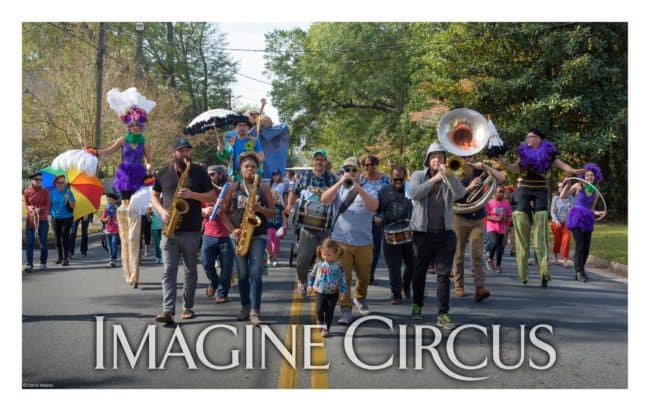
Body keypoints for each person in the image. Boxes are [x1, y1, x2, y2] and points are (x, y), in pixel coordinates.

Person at [499, 128, 584, 287]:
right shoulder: (523, 152)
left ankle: (544, 272)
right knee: (521, 221)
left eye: (532, 136)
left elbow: (560, 164)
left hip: (540, 189)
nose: (528, 138)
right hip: (524, 188)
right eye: (528, 136)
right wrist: (506, 165)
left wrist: (572, 170)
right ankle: (523, 270)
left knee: (540, 227)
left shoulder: (548, 152)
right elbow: (515, 168)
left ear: (539, 139)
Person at [151, 138, 215, 324]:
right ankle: (168, 310)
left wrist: (192, 195)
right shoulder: (163, 172)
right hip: (170, 230)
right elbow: (154, 195)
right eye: (181, 151)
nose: (186, 154)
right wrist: (162, 211)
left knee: (190, 271)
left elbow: (211, 196)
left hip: (192, 230)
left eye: (188, 150)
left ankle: (187, 306)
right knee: (168, 270)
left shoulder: (199, 173)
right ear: (174, 153)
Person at [100, 88, 155, 287]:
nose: (135, 128)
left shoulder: (145, 143)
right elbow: (107, 151)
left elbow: (149, 161)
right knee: (125, 209)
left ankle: (136, 259)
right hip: (124, 175)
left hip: (139, 175)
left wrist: (150, 168)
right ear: (128, 126)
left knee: (135, 212)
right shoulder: (122, 140)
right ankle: (127, 265)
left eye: (138, 126)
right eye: (132, 125)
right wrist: (94, 152)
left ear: (142, 126)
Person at [408, 142, 465, 329]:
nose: (437, 160)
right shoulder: (418, 175)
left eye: (440, 157)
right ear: (428, 159)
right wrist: (434, 180)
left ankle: (443, 313)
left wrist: (447, 175)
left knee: (443, 275)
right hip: (422, 233)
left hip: (445, 234)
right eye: (434, 157)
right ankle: (417, 304)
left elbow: (461, 193)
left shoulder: (449, 175)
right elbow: (414, 194)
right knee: (419, 272)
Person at [321, 157, 379, 326]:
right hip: (341, 241)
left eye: (354, 170)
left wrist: (358, 188)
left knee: (364, 276)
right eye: (347, 169)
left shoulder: (370, 187)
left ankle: (360, 298)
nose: (351, 173)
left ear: (360, 172)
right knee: (343, 278)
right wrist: (340, 183)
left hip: (364, 242)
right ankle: (345, 309)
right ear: (342, 171)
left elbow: (374, 206)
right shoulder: (338, 188)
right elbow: (324, 199)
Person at [220, 152, 276, 326]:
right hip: (239, 234)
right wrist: (233, 230)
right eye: (247, 167)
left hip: (259, 234)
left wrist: (260, 208)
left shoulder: (264, 188)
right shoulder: (233, 187)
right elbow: (223, 212)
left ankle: (255, 311)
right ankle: (245, 305)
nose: (250, 169)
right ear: (241, 169)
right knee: (243, 275)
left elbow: (274, 213)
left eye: (253, 166)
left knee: (255, 273)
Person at [284, 149, 338, 296]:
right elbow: (294, 192)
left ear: (326, 162)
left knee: (325, 258)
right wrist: (289, 205)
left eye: (322, 159)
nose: (319, 162)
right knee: (303, 259)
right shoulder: (305, 177)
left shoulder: (332, 178)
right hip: (307, 226)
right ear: (313, 161)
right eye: (317, 159)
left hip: (325, 227)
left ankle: (322, 284)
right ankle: (302, 281)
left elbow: (337, 196)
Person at [451, 156, 504, 302]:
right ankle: (459, 285)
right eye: (464, 155)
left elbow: (501, 179)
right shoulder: (453, 171)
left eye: (469, 154)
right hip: (460, 216)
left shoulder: (479, 171)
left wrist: (486, 167)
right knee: (458, 254)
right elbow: (449, 197)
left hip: (478, 218)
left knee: (477, 254)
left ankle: (479, 288)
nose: (467, 158)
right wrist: (468, 188)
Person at [376, 165, 414, 304]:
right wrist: (377, 217)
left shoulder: (411, 190)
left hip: (409, 232)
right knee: (394, 266)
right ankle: (396, 294)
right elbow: (377, 209)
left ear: (405, 178)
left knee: (412, 264)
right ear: (390, 178)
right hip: (390, 233)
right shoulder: (383, 192)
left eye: (401, 179)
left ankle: (406, 285)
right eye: (395, 179)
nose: (398, 182)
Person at [564, 163, 606, 282]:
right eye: (587, 175)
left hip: (588, 219)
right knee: (580, 246)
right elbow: (563, 196)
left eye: (592, 175)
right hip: (576, 218)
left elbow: (591, 209)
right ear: (583, 176)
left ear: (595, 177)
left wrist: (600, 213)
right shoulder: (578, 185)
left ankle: (581, 270)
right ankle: (579, 271)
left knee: (586, 249)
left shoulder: (596, 191)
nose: (589, 177)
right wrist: (567, 185)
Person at [200, 165, 235, 304]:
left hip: (226, 235)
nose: (210, 177)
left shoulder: (230, 190)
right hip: (209, 234)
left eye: (213, 174)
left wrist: (225, 204)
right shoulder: (204, 191)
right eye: (208, 174)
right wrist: (204, 211)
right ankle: (214, 282)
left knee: (227, 268)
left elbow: (234, 210)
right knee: (206, 263)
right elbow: (198, 210)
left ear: (221, 175)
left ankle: (222, 293)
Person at [359, 153, 391, 285]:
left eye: (372, 164)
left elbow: (389, 198)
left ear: (376, 165)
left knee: (375, 248)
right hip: (362, 218)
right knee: (363, 247)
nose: (369, 167)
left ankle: (370, 273)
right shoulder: (360, 180)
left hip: (378, 219)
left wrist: (381, 215)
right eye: (366, 165)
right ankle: (363, 272)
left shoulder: (385, 179)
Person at [307, 238, 347, 338]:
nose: (326, 257)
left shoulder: (338, 266)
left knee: (329, 312)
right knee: (319, 310)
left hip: (333, 293)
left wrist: (343, 291)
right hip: (320, 291)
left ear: (335, 254)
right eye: (324, 254)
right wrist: (309, 285)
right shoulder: (319, 264)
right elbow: (312, 275)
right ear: (321, 252)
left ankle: (326, 328)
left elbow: (343, 279)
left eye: (329, 255)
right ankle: (320, 320)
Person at [23, 171, 51, 272]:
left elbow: (47, 205)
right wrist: (30, 208)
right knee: (30, 242)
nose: (39, 181)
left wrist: (40, 209)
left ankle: (43, 263)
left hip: (42, 219)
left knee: (43, 242)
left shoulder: (45, 191)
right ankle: (29, 264)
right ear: (32, 180)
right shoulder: (27, 192)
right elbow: (26, 204)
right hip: (31, 220)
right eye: (37, 179)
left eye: (40, 180)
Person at [49, 175, 76, 266]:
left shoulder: (69, 192)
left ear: (65, 183)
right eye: (59, 182)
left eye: (62, 182)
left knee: (64, 237)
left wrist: (68, 199)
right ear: (55, 184)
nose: (61, 184)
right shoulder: (52, 192)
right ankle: (59, 257)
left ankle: (65, 258)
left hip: (67, 217)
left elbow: (73, 206)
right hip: (55, 218)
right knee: (57, 237)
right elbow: (49, 205)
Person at [485, 186, 512, 273]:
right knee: (494, 242)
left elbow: (509, 216)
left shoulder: (506, 203)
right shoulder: (490, 202)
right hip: (491, 226)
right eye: (499, 192)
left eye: (502, 192)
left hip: (501, 227)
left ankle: (498, 265)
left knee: (500, 247)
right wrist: (496, 219)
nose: (501, 194)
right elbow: (486, 216)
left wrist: (505, 219)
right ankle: (490, 259)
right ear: (495, 193)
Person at [550, 181, 574, 267]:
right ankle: (555, 257)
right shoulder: (555, 198)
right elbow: (552, 212)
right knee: (557, 240)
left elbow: (573, 210)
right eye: (560, 187)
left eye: (565, 187)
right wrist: (556, 221)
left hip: (567, 223)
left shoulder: (571, 198)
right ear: (559, 189)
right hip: (557, 223)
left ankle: (565, 260)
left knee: (566, 240)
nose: (562, 189)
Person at [267, 190, 287, 267]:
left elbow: (283, 216)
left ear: (277, 198)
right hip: (268, 227)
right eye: (271, 199)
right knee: (267, 242)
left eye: (274, 199)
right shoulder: (267, 206)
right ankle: (269, 255)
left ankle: (274, 258)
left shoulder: (280, 207)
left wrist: (284, 226)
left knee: (275, 244)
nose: (273, 201)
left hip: (277, 228)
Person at [101, 193, 120, 267]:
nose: (109, 201)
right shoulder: (106, 208)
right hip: (108, 230)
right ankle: (111, 257)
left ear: (114, 200)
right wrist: (107, 219)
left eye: (110, 199)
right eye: (108, 199)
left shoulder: (117, 208)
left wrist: (117, 221)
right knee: (109, 245)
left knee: (114, 243)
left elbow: (121, 219)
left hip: (115, 230)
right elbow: (102, 219)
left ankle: (113, 259)